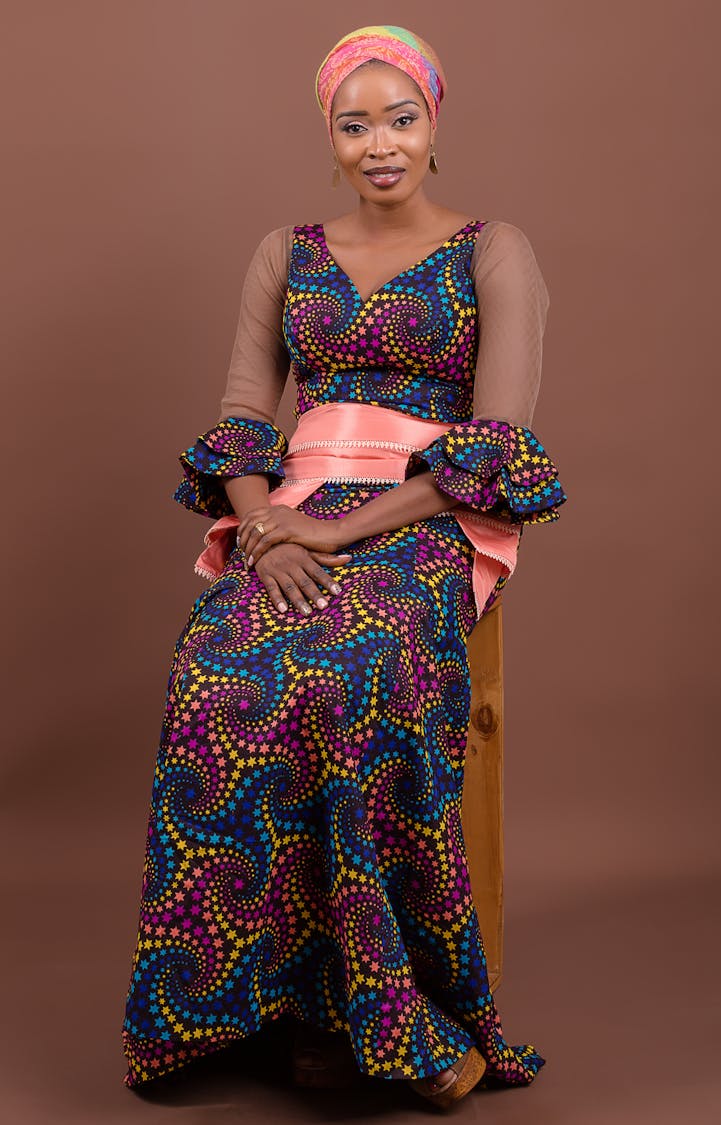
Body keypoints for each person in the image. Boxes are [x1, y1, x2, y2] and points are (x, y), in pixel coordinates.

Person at [121, 24, 567, 1111]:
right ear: (331, 134)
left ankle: (361, 1007)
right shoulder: (287, 250)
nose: (380, 143)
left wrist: (339, 532)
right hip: (295, 513)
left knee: (348, 671)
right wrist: (269, 526)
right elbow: (238, 420)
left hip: (428, 519)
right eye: (354, 122)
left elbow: (498, 442)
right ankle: (238, 1006)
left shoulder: (493, 248)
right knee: (217, 668)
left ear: (433, 126)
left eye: (400, 119)